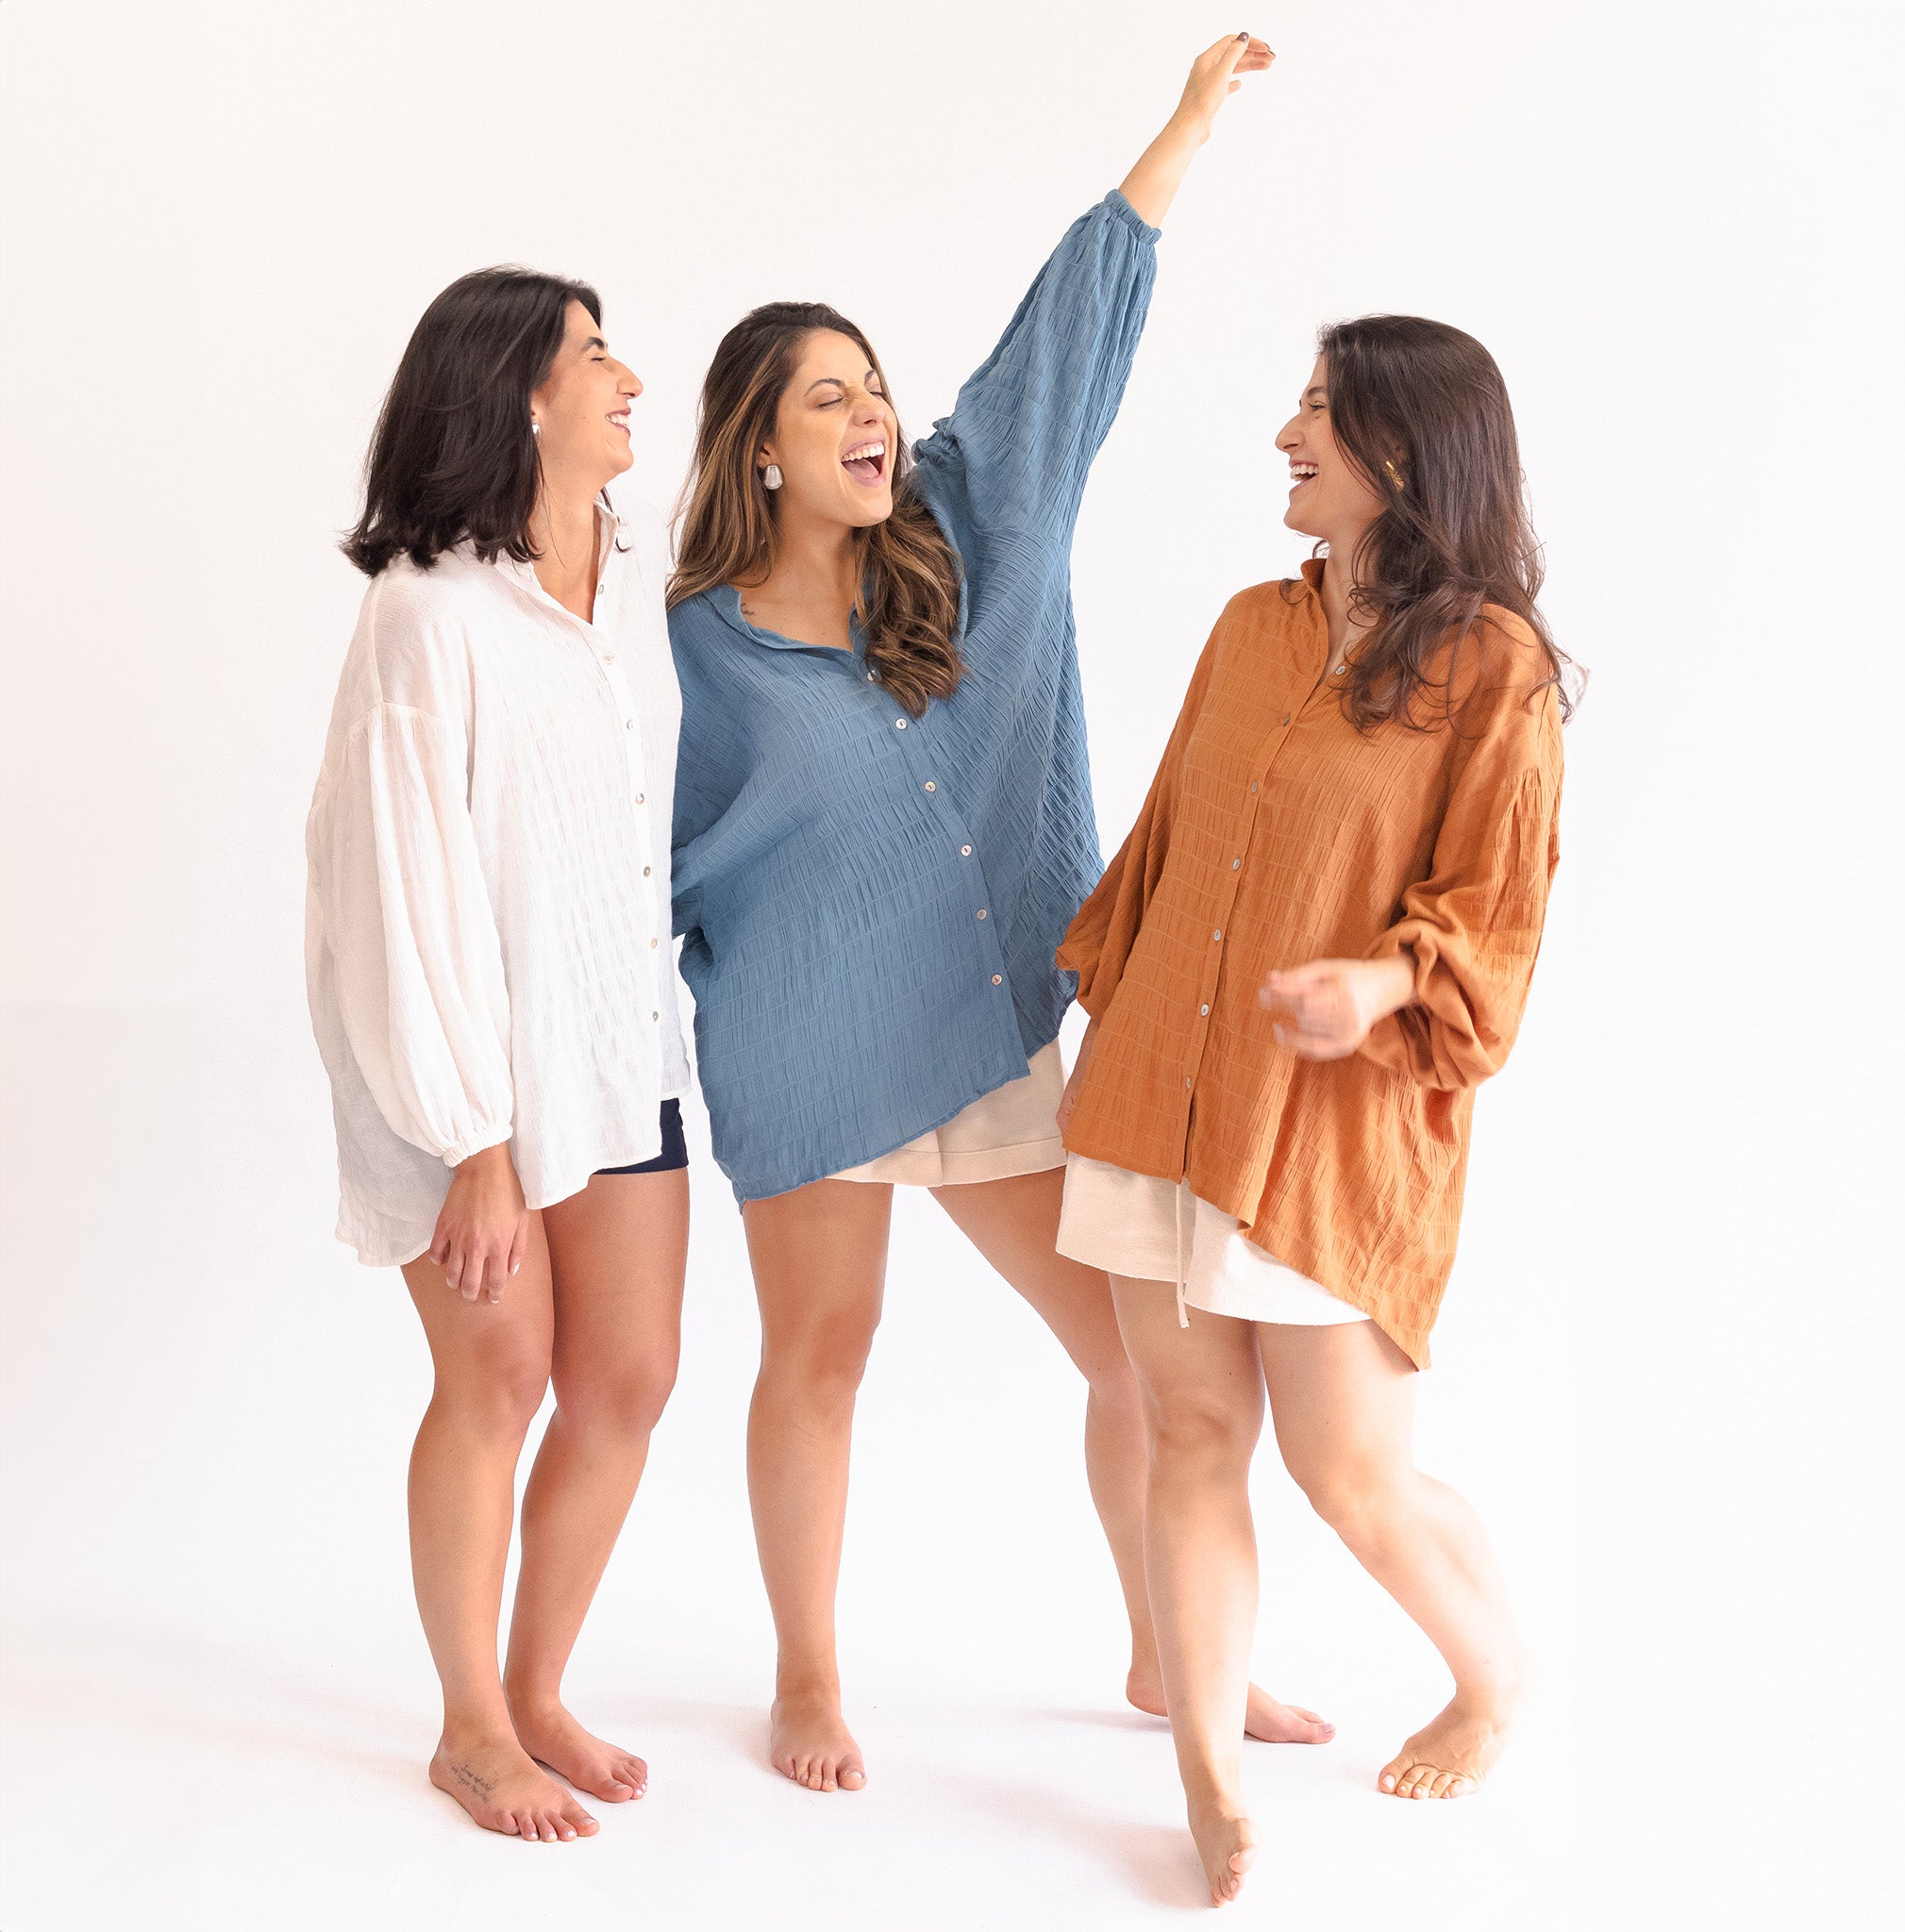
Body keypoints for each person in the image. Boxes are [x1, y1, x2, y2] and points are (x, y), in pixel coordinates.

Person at [668, 35, 1323, 1795]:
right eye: (826, 397)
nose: (868, 414)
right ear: (760, 448)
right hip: (810, 1045)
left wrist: (1182, 131)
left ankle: (1167, 1648)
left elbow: (1066, 339)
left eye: (873, 386)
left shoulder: (976, 524)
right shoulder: (697, 644)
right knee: (823, 1354)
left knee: (1139, 1360)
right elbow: (653, 850)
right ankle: (809, 1678)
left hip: (983, 1024)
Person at [1054, 317, 1572, 1905]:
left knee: (1352, 1474)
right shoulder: (1247, 628)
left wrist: (1383, 981)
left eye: (1322, 412)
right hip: (1161, 1091)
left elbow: (1494, 912)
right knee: (1193, 1434)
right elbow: (1166, 840)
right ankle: (1208, 1780)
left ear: (1405, 450)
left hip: (1332, 1124)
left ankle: (1491, 1680)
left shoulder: (1496, 668)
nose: (1287, 434)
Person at [307, 269, 690, 1842]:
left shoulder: (622, 589)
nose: (630, 379)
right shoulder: (427, 612)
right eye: (595, 356)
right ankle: (471, 1730)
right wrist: (473, 1140)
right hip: (461, 1072)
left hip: (616, 1045)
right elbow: (397, 886)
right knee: (502, 1373)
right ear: (521, 395)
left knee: (631, 1379)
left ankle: (535, 1690)